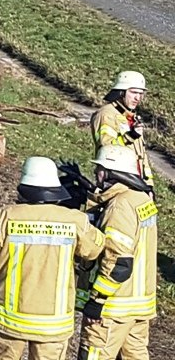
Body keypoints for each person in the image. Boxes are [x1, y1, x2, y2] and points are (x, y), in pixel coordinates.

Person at [0, 157, 105, 360]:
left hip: (8, 319)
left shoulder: (5, 216)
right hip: (53, 324)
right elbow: (95, 250)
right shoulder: (75, 220)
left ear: (24, 187)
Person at [77, 145, 158, 360]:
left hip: (113, 308)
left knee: (95, 354)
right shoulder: (141, 200)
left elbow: (118, 261)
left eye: (100, 170)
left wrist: (97, 301)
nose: (96, 175)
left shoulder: (119, 206)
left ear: (111, 173)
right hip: (139, 305)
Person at [90, 71, 154, 192]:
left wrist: (149, 185)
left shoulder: (130, 117)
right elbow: (107, 148)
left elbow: (141, 156)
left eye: (141, 94)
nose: (138, 98)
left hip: (136, 182)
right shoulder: (106, 115)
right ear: (121, 92)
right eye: (134, 92)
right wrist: (129, 136)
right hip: (116, 182)